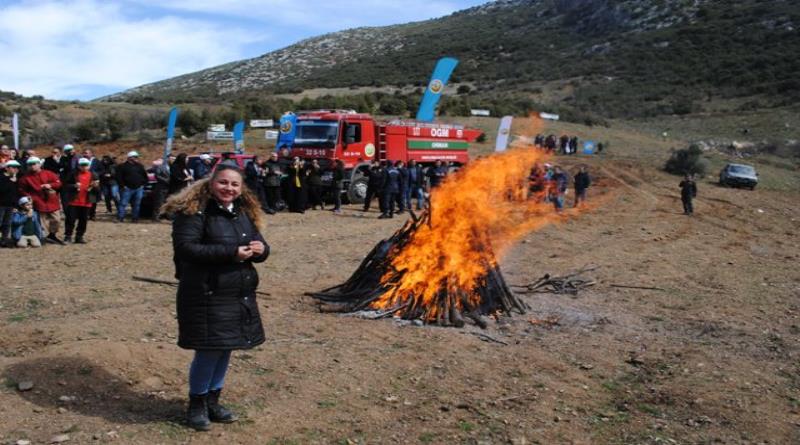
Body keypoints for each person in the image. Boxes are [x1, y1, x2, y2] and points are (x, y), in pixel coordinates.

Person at [161, 164, 269, 431]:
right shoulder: (193, 212)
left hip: (236, 293)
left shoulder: (243, 212)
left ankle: (213, 401)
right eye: (223, 182)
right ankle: (196, 405)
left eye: (234, 184)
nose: (229, 189)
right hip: (205, 292)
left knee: (225, 348)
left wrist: (261, 249)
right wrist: (232, 252)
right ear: (211, 182)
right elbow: (186, 249)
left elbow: (260, 244)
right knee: (209, 350)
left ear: (241, 188)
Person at [18, 156, 64, 244]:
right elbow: (22, 190)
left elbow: (58, 183)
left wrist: (50, 185)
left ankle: (52, 235)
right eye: (30, 164)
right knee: (42, 223)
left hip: (52, 201)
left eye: (34, 164)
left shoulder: (49, 173)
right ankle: (41, 237)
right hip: (38, 202)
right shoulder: (25, 178)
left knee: (57, 220)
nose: (32, 166)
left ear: (39, 164)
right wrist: (31, 198)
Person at [63, 158, 99, 243]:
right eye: (82, 165)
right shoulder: (73, 174)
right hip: (74, 201)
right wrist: (74, 186)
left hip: (86, 201)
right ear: (78, 166)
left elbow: (98, 189)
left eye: (86, 165)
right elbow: (65, 185)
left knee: (83, 221)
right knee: (70, 220)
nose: (84, 167)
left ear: (89, 165)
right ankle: (68, 236)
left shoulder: (93, 174)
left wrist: (95, 186)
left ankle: (79, 236)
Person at [116, 151, 148, 223]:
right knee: (123, 203)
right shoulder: (122, 166)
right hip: (127, 188)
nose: (137, 158)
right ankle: (120, 217)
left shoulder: (140, 166)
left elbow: (144, 176)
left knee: (137, 204)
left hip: (139, 188)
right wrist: (123, 186)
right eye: (135, 157)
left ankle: (135, 218)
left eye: (137, 157)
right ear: (130, 158)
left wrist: (143, 184)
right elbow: (118, 177)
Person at [0, 160, 21, 247]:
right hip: (1, 204)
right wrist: (11, 181)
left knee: (7, 224)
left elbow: (16, 193)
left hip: (10, 205)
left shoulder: (16, 179)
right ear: (7, 168)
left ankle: (4, 240)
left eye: (17, 168)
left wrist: (16, 205)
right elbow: (2, 190)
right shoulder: (1, 177)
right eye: (13, 167)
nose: (16, 169)